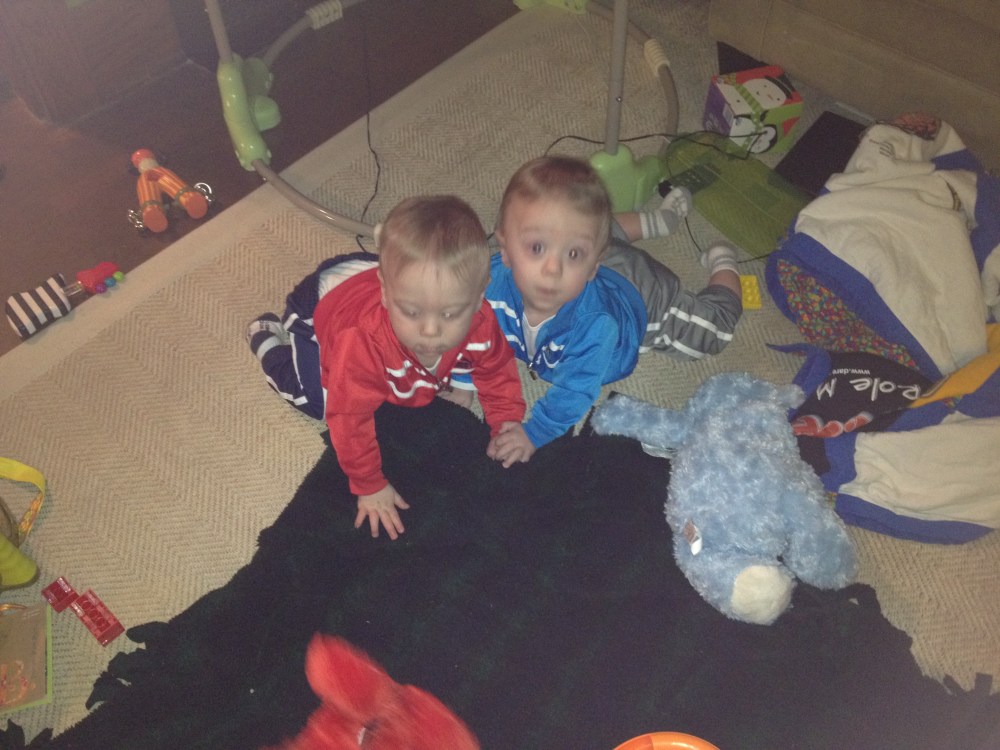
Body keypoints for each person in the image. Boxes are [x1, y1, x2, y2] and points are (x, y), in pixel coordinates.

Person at [246, 195, 532, 540]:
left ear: (479, 297)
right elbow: (348, 420)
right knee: (321, 401)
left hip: (382, 277)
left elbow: (495, 366)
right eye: (412, 313)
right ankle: (266, 341)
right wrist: (369, 484)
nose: (430, 331)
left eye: (449, 314)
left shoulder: (479, 318)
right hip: (317, 309)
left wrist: (505, 420)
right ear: (386, 293)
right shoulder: (361, 344)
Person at [485, 155, 743, 455]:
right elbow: (469, 333)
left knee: (713, 333)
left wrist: (536, 432)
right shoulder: (486, 282)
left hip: (643, 297)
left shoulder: (595, 326)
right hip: (601, 256)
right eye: (537, 247)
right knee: (583, 229)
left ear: (593, 266)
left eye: (572, 254)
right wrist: (462, 381)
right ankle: (657, 220)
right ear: (504, 250)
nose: (552, 269)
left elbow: (576, 389)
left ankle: (725, 259)